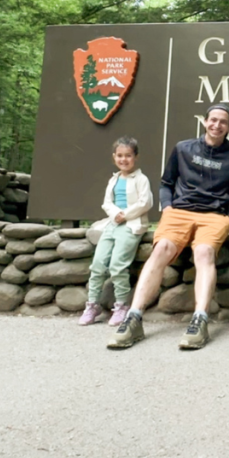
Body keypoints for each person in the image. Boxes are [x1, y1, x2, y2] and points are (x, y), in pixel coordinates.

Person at [107, 104, 229, 351]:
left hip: (214, 216)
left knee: (204, 253)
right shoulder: (183, 149)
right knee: (161, 250)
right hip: (179, 212)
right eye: (212, 120)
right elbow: (166, 182)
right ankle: (134, 318)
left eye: (222, 122)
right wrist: (167, 207)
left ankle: (200, 320)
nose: (217, 125)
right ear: (205, 122)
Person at [79, 137, 153, 327]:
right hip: (113, 224)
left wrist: (125, 215)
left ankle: (121, 305)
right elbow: (107, 202)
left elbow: (145, 202)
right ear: (114, 157)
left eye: (128, 155)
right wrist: (115, 214)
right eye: (120, 156)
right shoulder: (114, 179)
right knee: (97, 264)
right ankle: (92, 305)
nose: (124, 159)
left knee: (117, 265)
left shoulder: (141, 179)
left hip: (131, 225)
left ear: (135, 157)